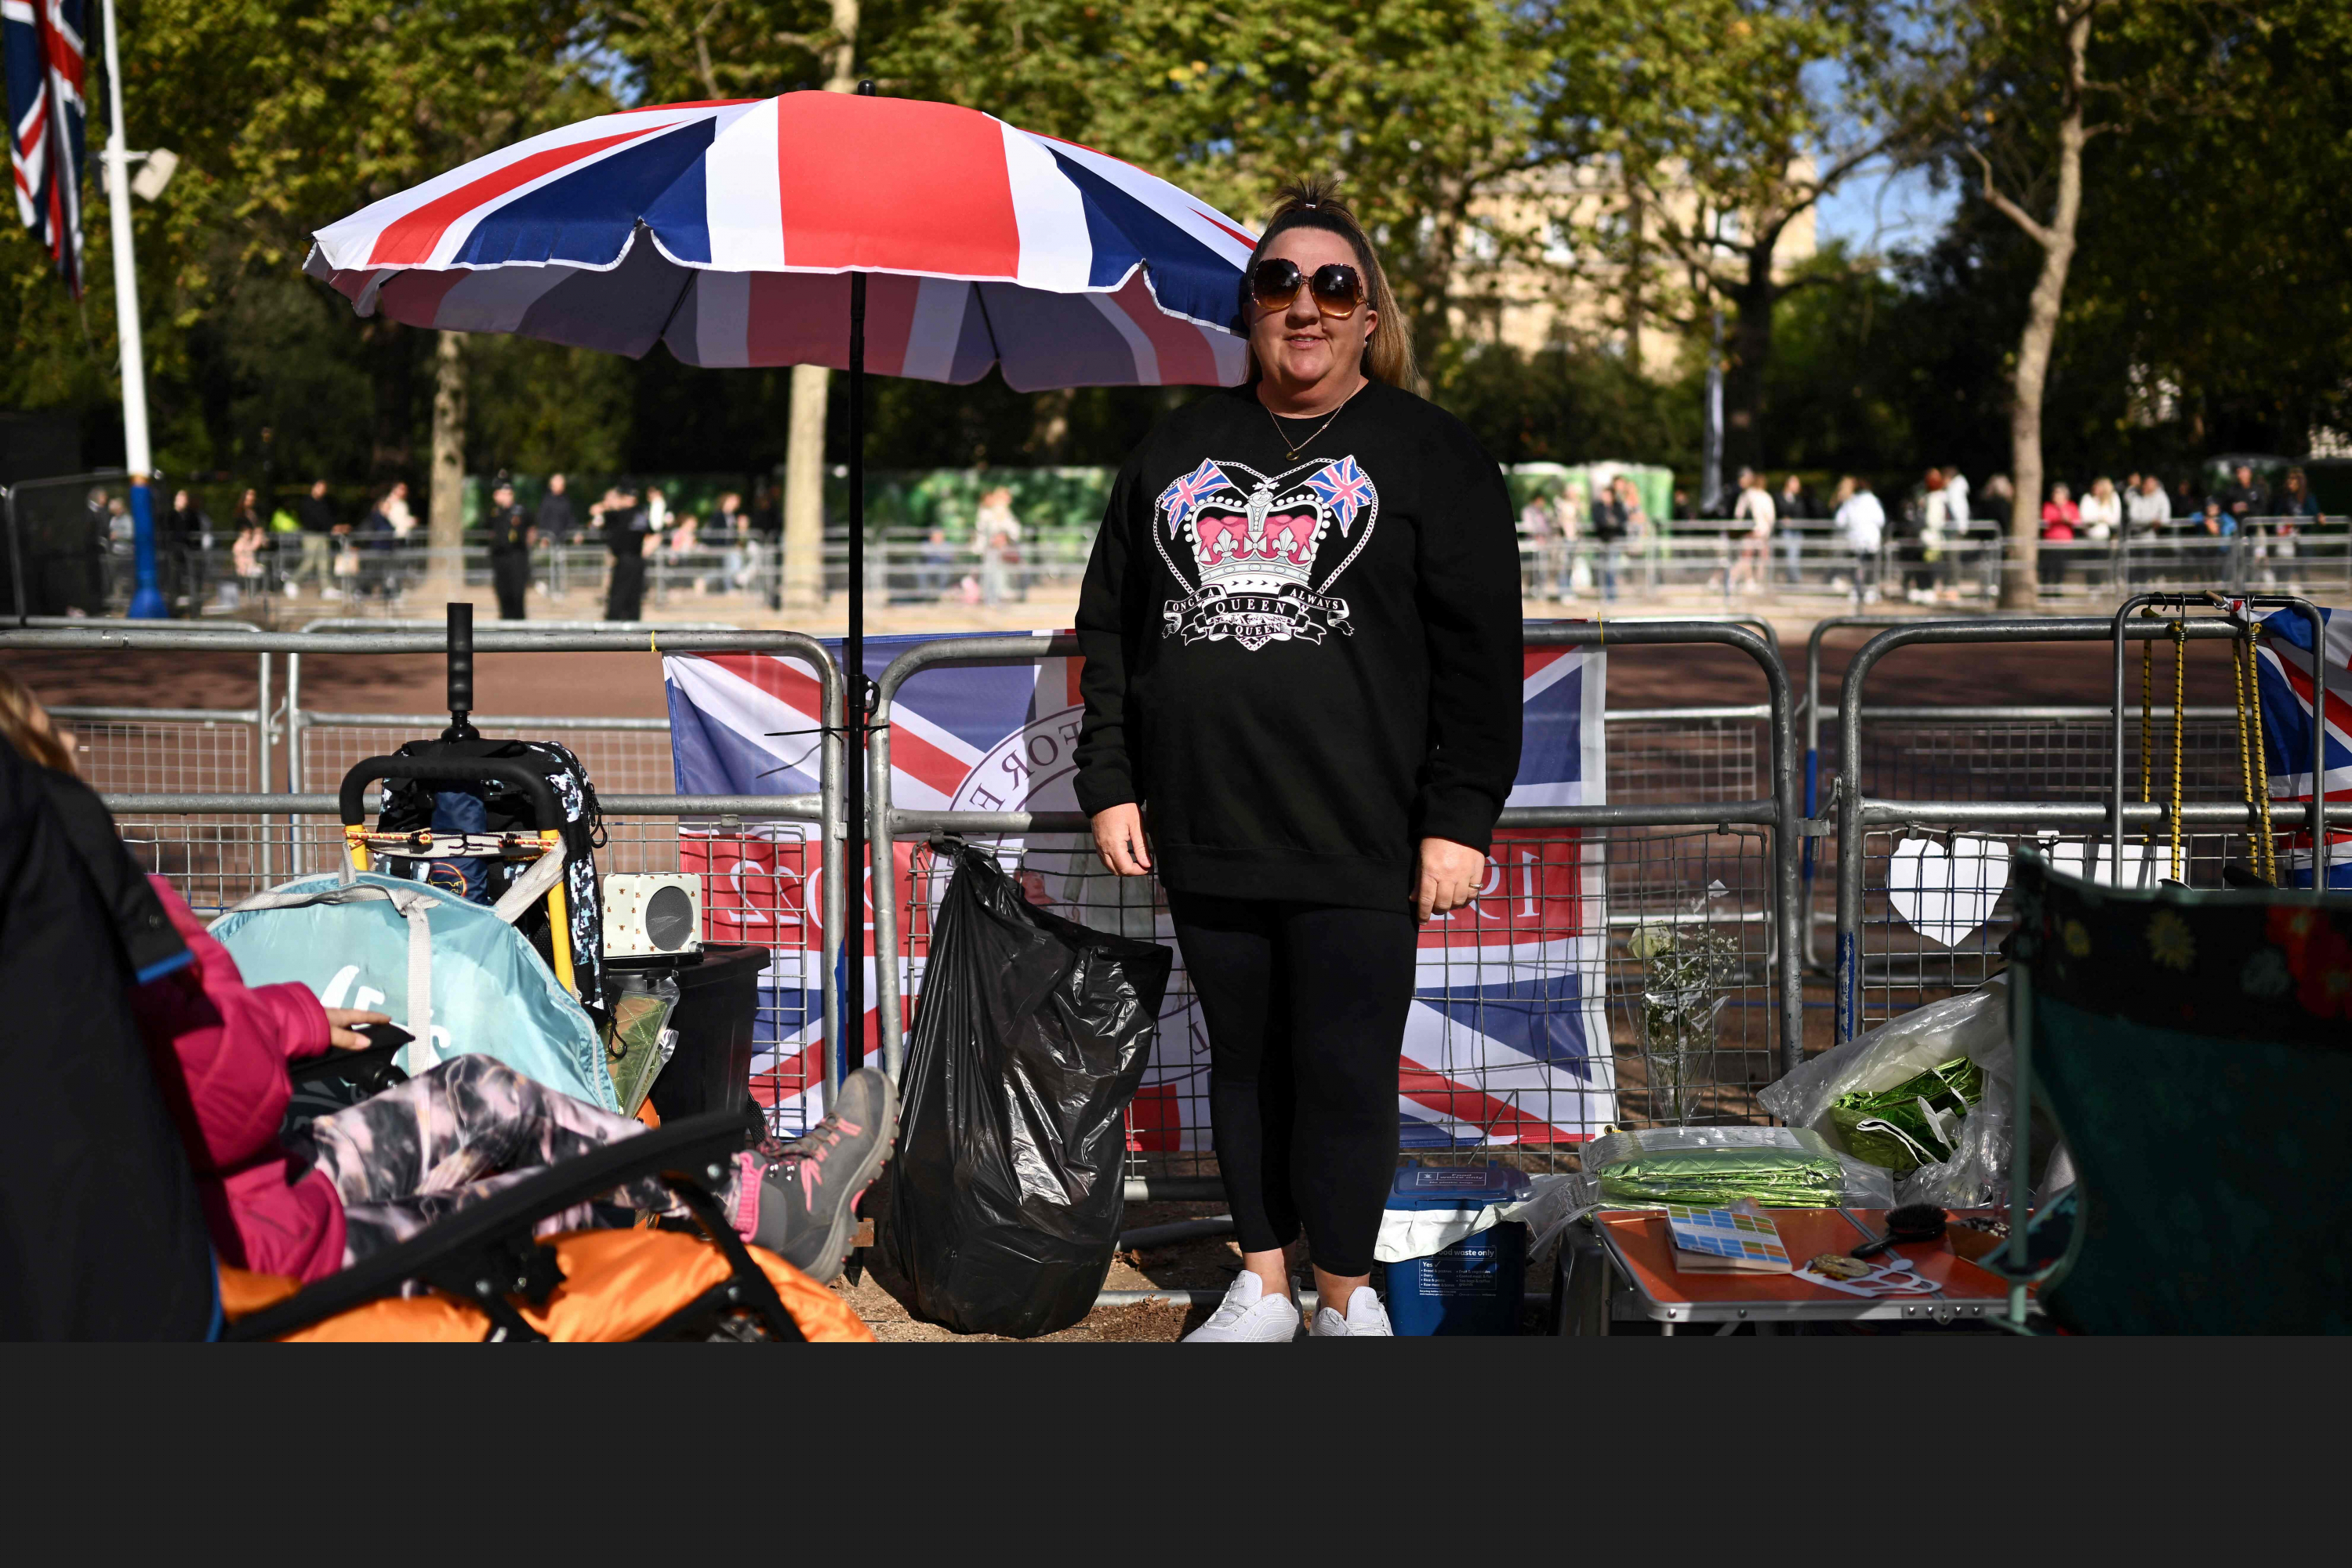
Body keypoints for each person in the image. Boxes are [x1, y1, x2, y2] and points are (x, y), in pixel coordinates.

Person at [0, 669, 897, 1288]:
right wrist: (164, 926)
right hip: (264, 1251)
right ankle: (771, 1205)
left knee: (477, 1092)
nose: (74, 741)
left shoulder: (57, 929)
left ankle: (759, 1194)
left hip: (250, 1204)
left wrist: (297, 1021)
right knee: (540, 1185)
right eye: (54, 748)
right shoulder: (91, 920)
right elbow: (230, 1105)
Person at [1073, 179, 1521, 1341]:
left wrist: (1459, 817)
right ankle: (1264, 1285)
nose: (1306, 305)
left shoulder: (1435, 455)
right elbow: (1113, 626)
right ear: (1250, 309)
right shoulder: (1174, 449)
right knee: (1243, 1066)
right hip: (1209, 821)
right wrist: (1112, 778)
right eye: (1280, 283)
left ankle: (1345, 1295)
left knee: (1346, 1069)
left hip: (1363, 830)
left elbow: (1484, 659)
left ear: (1369, 314)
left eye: (1335, 284)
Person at [603, 478, 652, 620]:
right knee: (634, 602)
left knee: (617, 601)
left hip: (625, 561)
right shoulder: (641, 514)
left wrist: (609, 504)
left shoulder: (619, 515)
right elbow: (652, 534)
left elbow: (606, 518)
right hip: (638, 560)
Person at [485, 477, 534, 620]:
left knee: (517, 595)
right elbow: (489, 530)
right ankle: (505, 629)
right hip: (500, 558)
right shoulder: (494, 512)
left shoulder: (521, 511)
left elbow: (531, 530)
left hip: (517, 558)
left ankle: (519, 630)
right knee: (503, 595)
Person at [1835, 475, 1884, 604]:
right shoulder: (1874, 501)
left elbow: (1840, 521)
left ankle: (1856, 591)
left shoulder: (1851, 502)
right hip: (1871, 541)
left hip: (1855, 541)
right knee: (1870, 568)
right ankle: (1869, 592)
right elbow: (1881, 520)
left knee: (1856, 567)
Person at [167, 488, 214, 613]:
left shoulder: (191, 516)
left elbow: (195, 535)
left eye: (185, 498)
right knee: (175, 581)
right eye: (180, 497)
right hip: (176, 554)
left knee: (194, 581)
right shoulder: (171, 516)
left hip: (191, 554)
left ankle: (194, 608)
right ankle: (174, 609)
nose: (183, 501)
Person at [290, 481, 337, 600]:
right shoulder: (307, 503)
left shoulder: (324, 503)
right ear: (314, 487)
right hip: (310, 535)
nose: (322, 490)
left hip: (323, 536)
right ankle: (293, 582)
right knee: (309, 561)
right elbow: (313, 520)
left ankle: (326, 588)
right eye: (320, 487)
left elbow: (327, 519)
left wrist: (332, 528)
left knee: (324, 562)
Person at [2038, 481, 2079, 592]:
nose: (2055, 496)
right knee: (2047, 567)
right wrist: (2061, 519)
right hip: (2050, 542)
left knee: (2060, 568)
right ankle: (2046, 591)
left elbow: (2076, 521)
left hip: (2064, 543)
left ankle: (2058, 591)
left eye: (2058, 493)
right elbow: (2047, 519)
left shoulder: (2071, 506)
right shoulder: (2048, 506)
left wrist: (2065, 516)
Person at [1776, 473, 1811, 586]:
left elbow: (1801, 513)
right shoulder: (1780, 497)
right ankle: (1795, 578)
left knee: (1794, 554)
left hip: (1797, 530)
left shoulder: (1799, 499)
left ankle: (1793, 578)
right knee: (1791, 554)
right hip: (1786, 531)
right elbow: (1780, 512)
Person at [537, 471, 577, 544]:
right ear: (552, 485)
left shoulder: (566, 501)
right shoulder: (546, 501)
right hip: (548, 540)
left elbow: (571, 520)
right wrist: (543, 536)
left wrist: (574, 534)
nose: (562, 486)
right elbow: (541, 519)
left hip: (563, 540)